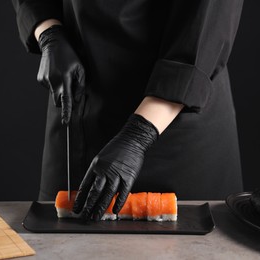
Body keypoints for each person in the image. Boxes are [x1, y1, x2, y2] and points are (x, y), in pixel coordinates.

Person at [12, 0, 244, 220]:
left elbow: (207, 21)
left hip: (177, 129)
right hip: (78, 115)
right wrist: (49, 32)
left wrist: (139, 135)